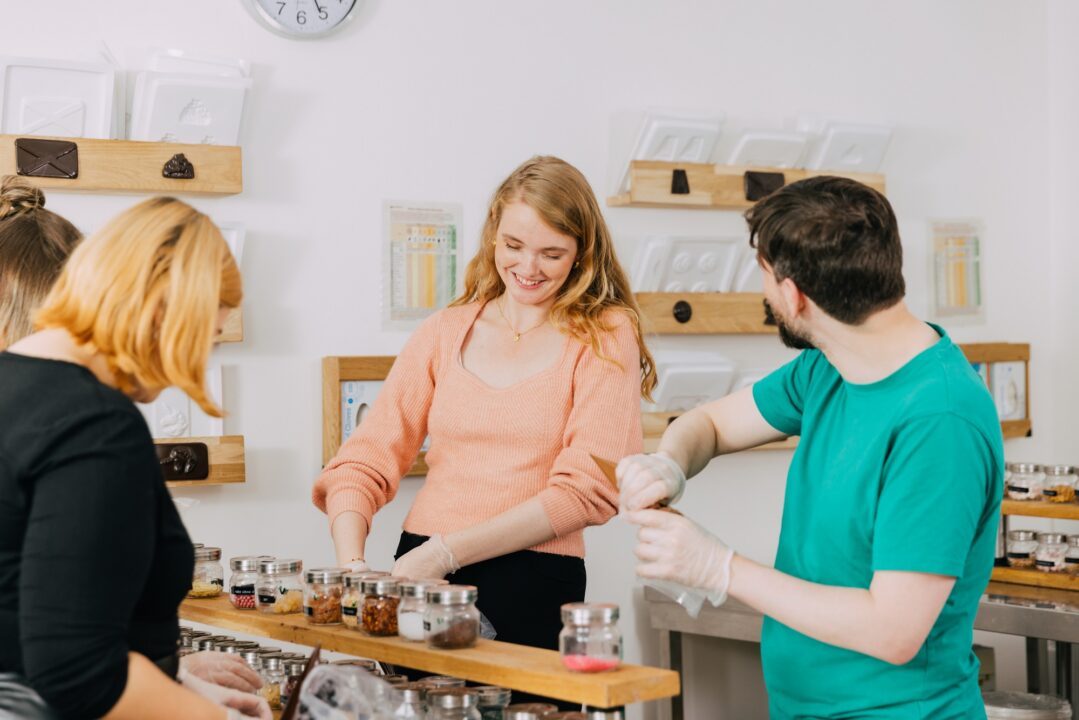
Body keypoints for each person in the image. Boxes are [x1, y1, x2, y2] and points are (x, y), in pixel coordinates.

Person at [618, 176, 1003, 719]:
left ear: (795, 295)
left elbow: (893, 631)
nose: (765, 294)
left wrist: (721, 568)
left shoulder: (940, 420)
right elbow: (710, 425)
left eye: (764, 277)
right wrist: (670, 464)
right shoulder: (829, 367)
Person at [314, 156, 656, 656]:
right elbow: (363, 462)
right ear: (493, 231)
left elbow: (589, 489)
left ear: (582, 253)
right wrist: (354, 571)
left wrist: (446, 552)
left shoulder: (605, 335)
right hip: (421, 569)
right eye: (513, 246)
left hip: (531, 578)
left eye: (552, 253)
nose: (528, 268)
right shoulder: (445, 330)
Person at [0, 195, 269, 720]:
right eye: (207, 337)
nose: (197, 363)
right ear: (163, 312)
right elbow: (78, 672)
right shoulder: (94, 423)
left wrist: (181, 684)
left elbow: (26, 603)